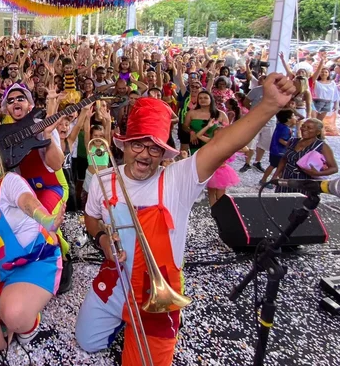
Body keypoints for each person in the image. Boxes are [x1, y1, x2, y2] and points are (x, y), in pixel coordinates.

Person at [75, 74, 296, 366]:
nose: (145, 155)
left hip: (157, 289)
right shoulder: (104, 179)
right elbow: (91, 218)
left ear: (163, 153)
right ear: (123, 145)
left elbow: (223, 145)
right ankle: (123, 318)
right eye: (138, 145)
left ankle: (146, 324)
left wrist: (268, 105)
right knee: (86, 342)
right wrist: (103, 239)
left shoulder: (178, 178)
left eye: (154, 148)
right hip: (115, 279)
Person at [0, 140, 63, 354]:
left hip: (32, 261)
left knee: (14, 316)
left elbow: (26, 201)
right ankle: (12, 304)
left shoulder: (9, 182)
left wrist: (45, 220)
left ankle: (27, 323)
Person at [0, 83, 73, 292]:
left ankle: (64, 258)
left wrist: (47, 136)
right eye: (10, 100)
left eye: (20, 98)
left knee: (44, 220)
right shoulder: (6, 132)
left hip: (50, 187)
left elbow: (56, 164)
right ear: (7, 109)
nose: (15, 103)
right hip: (24, 191)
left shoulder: (43, 125)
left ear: (29, 104)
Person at [273, 119, 339, 193]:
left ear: (317, 132)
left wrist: (318, 174)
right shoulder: (292, 141)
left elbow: (334, 168)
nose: (304, 129)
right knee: (282, 201)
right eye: (303, 126)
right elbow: (284, 159)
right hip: (286, 178)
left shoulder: (322, 146)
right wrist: (276, 174)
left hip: (305, 183)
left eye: (309, 128)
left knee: (300, 202)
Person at [260, 109, 296, 186]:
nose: (295, 117)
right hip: (279, 151)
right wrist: (291, 146)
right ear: (288, 119)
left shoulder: (280, 125)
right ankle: (268, 181)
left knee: (273, 165)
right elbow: (281, 140)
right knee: (277, 166)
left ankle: (268, 180)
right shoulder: (286, 129)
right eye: (293, 116)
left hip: (274, 150)